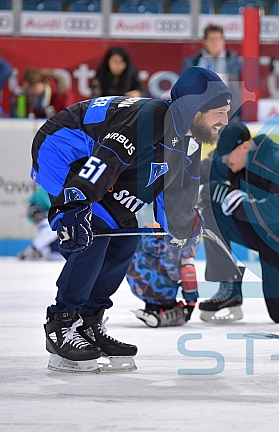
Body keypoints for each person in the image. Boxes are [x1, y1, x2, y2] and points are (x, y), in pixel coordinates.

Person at [31, 66, 232, 373]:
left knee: (127, 234)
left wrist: (186, 224)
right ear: (193, 110)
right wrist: (74, 205)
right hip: (61, 149)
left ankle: (88, 322)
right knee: (96, 229)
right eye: (219, 112)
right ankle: (61, 324)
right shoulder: (149, 118)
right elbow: (105, 160)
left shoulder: (189, 139)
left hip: (97, 161)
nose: (225, 121)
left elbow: (177, 199)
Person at [198, 122, 279, 324]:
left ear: (245, 146)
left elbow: (274, 211)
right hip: (258, 230)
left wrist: (230, 196)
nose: (224, 160)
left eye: (228, 155)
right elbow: (197, 171)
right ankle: (229, 287)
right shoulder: (231, 158)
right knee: (210, 212)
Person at [126, 234, 199, 328]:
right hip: (164, 290)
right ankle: (166, 311)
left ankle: (153, 307)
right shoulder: (180, 241)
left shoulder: (141, 235)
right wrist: (191, 302)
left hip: (137, 286)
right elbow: (188, 271)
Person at [17, 186, 62, 261]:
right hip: (47, 217)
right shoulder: (47, 188)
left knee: (57, 257)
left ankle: (42, 251)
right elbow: (32, 203)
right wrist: (33, 208)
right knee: (51, 229)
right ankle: (33, 249)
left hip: (61, 220)